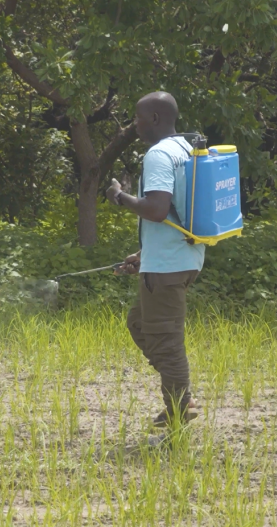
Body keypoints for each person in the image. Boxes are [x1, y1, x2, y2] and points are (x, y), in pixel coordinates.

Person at [105, 91, 204, 430]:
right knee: (139, 323)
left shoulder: (159, 154)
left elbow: (158, 209)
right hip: (182, 257)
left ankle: (178, 415)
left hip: (168, 268)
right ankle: (181, 395)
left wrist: (120, 197)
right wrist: (143, 256)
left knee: (166, 341)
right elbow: (179, 210)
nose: (136, 125)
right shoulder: (186, 149)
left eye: (139, 118)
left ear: (156, 119)